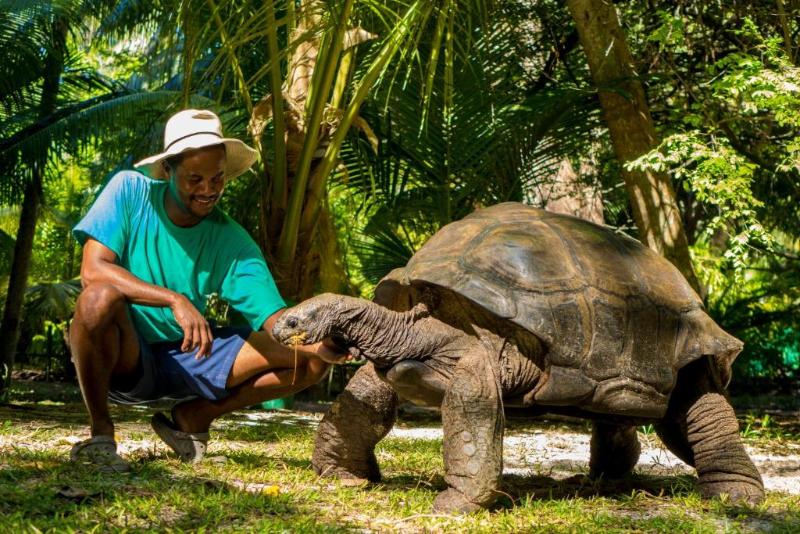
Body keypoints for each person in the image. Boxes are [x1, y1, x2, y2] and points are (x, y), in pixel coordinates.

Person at [68, 109, 349, 472]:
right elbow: (93, 271)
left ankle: (195, 416)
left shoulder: (231, 240)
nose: (209, 190)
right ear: (167, 171)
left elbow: (275, 319)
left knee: (309, 360)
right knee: (97, 298)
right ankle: (101, 434)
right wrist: (174, 299)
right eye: (195, 178)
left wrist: (322, 342)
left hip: (189, 356)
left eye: (217, 178)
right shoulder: (129, 191)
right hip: (124, 355)